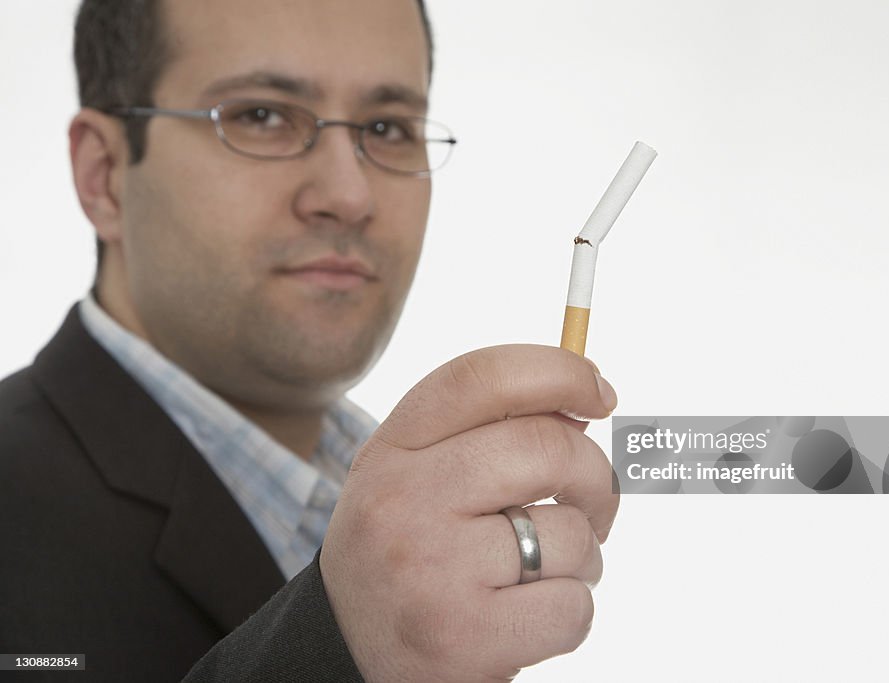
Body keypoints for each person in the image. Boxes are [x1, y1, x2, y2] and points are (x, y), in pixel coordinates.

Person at [0, 0, 619, 680]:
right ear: (105, 176)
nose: (349, 194)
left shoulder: (422, 514)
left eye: (387, 127)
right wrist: (347, 642)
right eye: (260, 116)